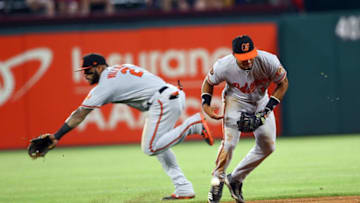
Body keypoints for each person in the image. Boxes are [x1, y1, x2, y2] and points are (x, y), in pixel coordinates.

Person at [44, 53, 214, 200]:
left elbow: (80, 114)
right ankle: (183, 187)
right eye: (83, 71)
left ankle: (194, 125)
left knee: (150, 147)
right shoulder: (119, 68)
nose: (85, 74)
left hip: (162, 101)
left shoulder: (105, 84)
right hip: (170, 95)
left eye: (88, 70)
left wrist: (57, 136)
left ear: (101, 67)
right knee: (159, 147)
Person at [201, 35, 288, 203]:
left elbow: (283, 83)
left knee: (268, 146)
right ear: (234, 56)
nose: (248, 61)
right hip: (236, 101)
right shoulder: (224, 65)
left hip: (261, 102)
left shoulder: (269, 61)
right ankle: (217, 179)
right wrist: (206, 104)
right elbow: (208, 82)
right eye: (243, 59)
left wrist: (266, 111)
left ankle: (235, 179)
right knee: (229, 144)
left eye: (250, 56)